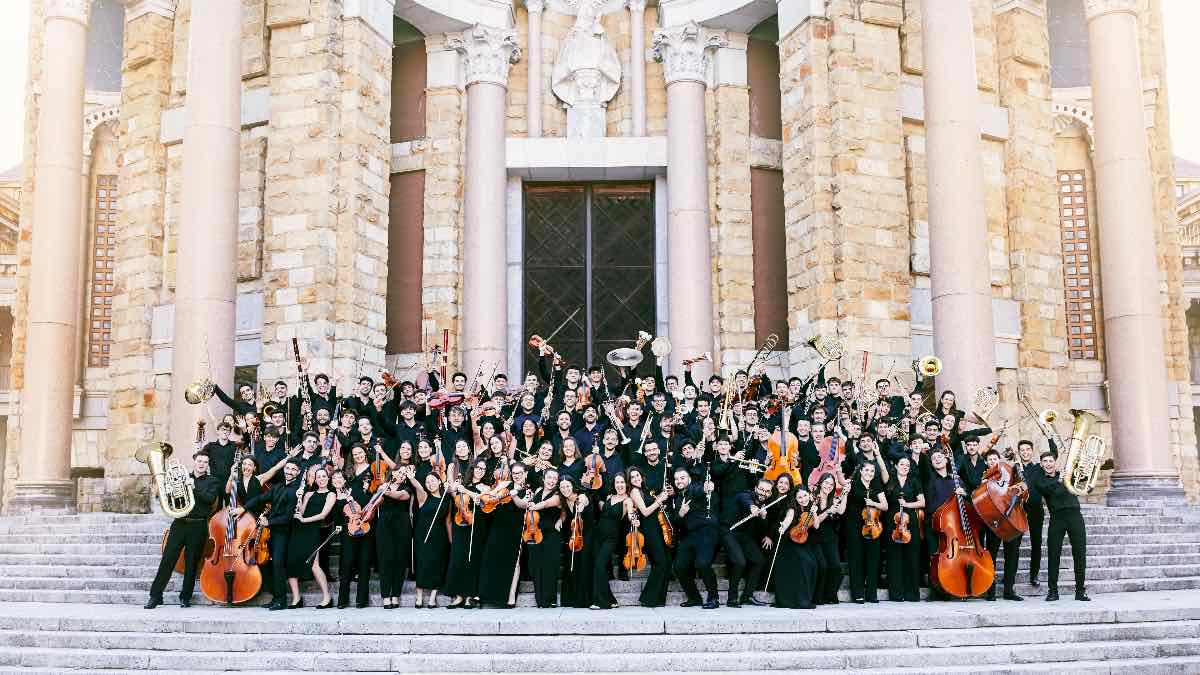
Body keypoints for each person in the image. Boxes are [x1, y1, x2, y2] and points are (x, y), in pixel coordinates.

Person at [145, 451, 222, 609]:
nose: (201, 464)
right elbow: (171, 497)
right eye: (199, 461)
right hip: (180, 523)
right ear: (194, 462)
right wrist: (165, 491)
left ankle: (185, 597)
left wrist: (192, 487)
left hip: (199, 525)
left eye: (205, 462)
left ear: (208, 465)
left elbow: (209, 500)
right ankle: (155, 595)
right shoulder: (182, 476)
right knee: (167, 559)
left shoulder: (213, 482)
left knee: (192, 562)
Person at [238, 458, 303, 610]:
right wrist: (243, 508)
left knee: (278, 564)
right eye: (287, 468)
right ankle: (276, 597)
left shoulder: (296, 491)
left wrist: (269, 522)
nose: (289, 471)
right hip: (271, 532)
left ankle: (281, 600)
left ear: (298, 472)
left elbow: (287, 517)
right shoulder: (277, 487)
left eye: (293, 469)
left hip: (283, 532)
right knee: (266, 563)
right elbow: (261, 498)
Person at [1031, 451, 1090, 602]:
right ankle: (1053, 591)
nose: (1048, 464)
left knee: (1080, 553)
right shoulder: (1040, 481)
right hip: (1057, 518)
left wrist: (1086, 468)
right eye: (1045, 461)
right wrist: (1060, 480)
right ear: (1042, 464)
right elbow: (1047, 490)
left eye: (1050, 461)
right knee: (1053, 554)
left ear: (1055, 462)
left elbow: (1084, 481)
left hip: (1075, 515)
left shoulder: (1066, 475)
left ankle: (1080, 590)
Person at [670, 467, 721, 609]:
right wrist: (680, 513)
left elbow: (701, 490)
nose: (679, 481)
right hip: (689, 535)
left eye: (682, 478)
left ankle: (714, 598)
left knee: (702, 564)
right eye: (676, 479)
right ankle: (694, 598)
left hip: (706, 531)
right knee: (679, 566)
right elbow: (675, 520)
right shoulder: (678, 497)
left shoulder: (694, 488)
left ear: (689, 479)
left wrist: (707, 488)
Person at [980, 448, 1027, 601]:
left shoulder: (1009, 473)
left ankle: (1009, 591)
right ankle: (990, 590)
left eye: (995, 459)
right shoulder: (984, 477)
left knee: (1012, 556)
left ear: (999, 460)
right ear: (986, 462)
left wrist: (1019, 486)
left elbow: (1023, 490)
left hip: (1012, 519)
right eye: (990, 460)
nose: (993, 462)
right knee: (991, 556)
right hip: (994, 521)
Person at [288, 466, 336, 608]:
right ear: (315, 479)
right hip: (299, 530)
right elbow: (301, 512)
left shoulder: (330, 494)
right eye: (318, 476)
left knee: (314, 565)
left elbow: (323, 515)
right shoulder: (308, 494)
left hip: (313, 530)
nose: (321, 479)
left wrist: (304, 520)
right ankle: (296, 599)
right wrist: (298, 500)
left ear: (328, 479)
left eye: (324, 476)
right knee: (291, 562)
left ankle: (327, 598)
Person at [628, 466, 673, 607]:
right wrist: (659, 501)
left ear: (642, 475)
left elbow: (653, 506)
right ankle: (648, 598)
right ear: (629, 480)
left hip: (657, 528)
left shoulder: (645, 489)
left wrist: (661, 499)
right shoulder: (634, 491)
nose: (636, 478)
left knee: (666, 562)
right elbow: (646, 511)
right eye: (632, 477)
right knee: (661, 562)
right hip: (649, 529)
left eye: (637, 475)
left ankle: (659, 599)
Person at [338, 446, 376, 608]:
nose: (358, 456)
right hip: (350, 520)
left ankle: (362, 599)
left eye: (360, 453)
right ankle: (342, 599)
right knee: (347, 561)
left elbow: (376, 494)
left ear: (365, 454)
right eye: (355, 454)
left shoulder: (373, 469)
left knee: (364, 560)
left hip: (366, 519)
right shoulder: (348, 472)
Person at [845, 461, 888, 603]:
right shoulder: (853, 484)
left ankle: (872, 593)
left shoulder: (877, 486)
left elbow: (885, 506)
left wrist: (873, 503)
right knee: (856, 558)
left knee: (873, 559)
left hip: (873, 526)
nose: (869, 473)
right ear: (861, 471)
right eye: (867, 470)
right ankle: (858, 593)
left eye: (872, 471)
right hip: (855, 525)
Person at [772, 488, 820, 609]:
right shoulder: (792, 508)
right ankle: (797, 600)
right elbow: (788, 518)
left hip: (804, 541)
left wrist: (814, 512)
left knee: (812, 563)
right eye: (799, 497)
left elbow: (816, 526)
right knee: (804, 563)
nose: (803, 499)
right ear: (795, 499)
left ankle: (805, 597)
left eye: (805, 496)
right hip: (790, 541)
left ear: (809, 495)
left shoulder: (812, 507)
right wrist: (783, 526)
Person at [885, 456, 925, 602]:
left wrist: (907, 504)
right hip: (893, 522)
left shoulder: (914, 481)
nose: (905, 466)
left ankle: (911, 593)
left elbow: (922, 502)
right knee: (894, 557)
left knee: (912, 557)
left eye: (907, 464)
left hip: (910, 523)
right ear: (896, 466)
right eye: (902, 464)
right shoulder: (890, 480)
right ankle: (896, 593)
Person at [524, 466, 563, 608]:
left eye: (554, 478)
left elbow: (546, 504)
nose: (552, 481)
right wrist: (528, 499)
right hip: (535, 532)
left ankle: (550, 599)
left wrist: (534, 506)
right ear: (544, 479)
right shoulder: (539, 491)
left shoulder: (558, 494)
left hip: (551, 534)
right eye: (549, 478)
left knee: (549, 566)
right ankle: (540, 600)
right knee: (535, 565)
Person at [376, 466, 414, 609]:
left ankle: (395, 595)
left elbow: (401, 496)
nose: (401, 475)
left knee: (399, 560)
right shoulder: (383, 486)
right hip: (385, 525)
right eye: (398, 472)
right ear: (392, 473)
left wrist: (387, 491)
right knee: (385, 559)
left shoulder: (406, 487)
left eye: (403, 473)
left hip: (402, 525)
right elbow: (377, 503)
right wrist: (380, 493)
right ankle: (386, 596)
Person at [1018, 440, 1047, 587]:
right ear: (1019, 452)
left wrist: (1049, 437)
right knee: (1014, 543)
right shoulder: (1015, 468)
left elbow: (1054, 455)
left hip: (1036, 509)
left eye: (1028, 449)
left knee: (1036, 543)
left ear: (1032, 451)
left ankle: (1034, 575)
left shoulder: (1039, 468)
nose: (1025, 452)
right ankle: (1010, 575)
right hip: (1019, 509)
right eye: (1022, 450)